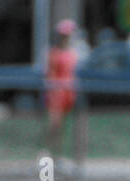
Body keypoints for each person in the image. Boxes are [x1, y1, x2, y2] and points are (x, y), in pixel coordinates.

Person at [44, 19, 79, 156]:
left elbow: (72, 73)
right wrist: (53, 93)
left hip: (68, 93)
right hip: (57, 93)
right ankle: (48, 154)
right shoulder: (54, 52)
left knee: (63, 127)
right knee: (54, 125)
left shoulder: (72, 53)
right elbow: (51, 74)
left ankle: (58, 155)